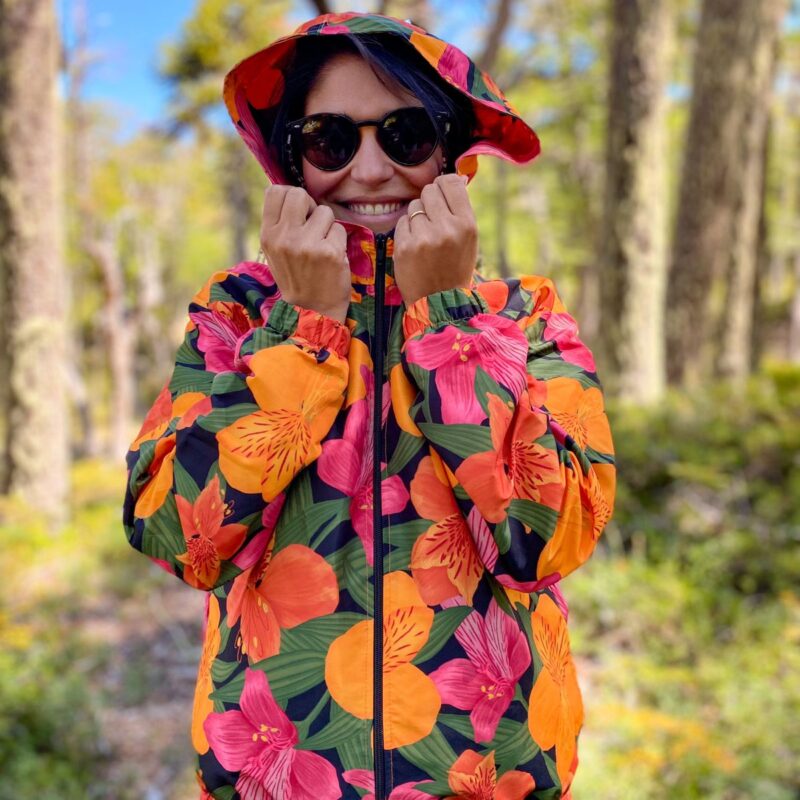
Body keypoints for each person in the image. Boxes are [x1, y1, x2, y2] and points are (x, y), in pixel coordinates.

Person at [123, 11, 616, 800]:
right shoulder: (239, 313)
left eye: (407, 134)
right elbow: (181, 537)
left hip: (490, 778)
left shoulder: (524, 317)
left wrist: (449, 319)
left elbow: (549, 540)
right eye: (330, 139)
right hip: (279, 778)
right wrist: (303, 330)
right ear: (291, 158)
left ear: (452, 151)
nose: (372, 168)